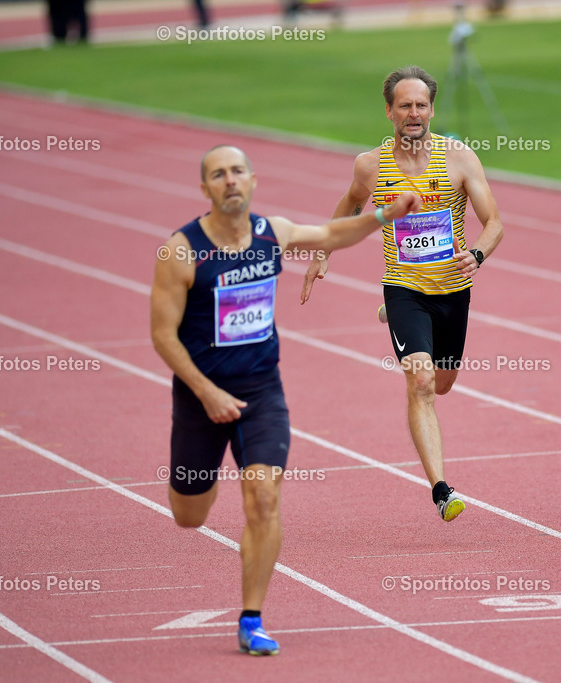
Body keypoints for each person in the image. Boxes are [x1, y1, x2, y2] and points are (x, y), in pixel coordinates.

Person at [151, 145, 419, 655]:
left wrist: (385, 214)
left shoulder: (271, 233)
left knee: (264, 497)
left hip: (260, 390)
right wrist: (207, 392)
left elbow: (332, 234)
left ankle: (251, 619)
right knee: (190, 514)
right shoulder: (180, 252)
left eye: (237, 171)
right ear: (205, 188)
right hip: (201, 395)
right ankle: (197, 480)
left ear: (253, 180)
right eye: (218, 174)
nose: (230, 180)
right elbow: (163, 336)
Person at [301, 65, 504, 522]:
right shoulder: (370, 166)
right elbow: (350, 204)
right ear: (389, 112)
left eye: (421, 105)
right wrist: (322, 252)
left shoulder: (460, 159)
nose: (414, 113)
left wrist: (478, 254)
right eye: (405, 105)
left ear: (432, 110)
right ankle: (441, 490)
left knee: (443, 383)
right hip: (404, 286)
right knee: (422, 381)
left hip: (453, 290)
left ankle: (393, 317)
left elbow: (494, 221)